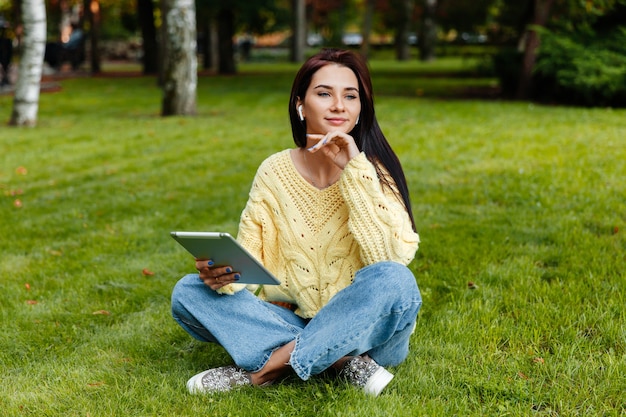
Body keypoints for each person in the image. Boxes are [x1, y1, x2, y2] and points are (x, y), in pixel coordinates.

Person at [171, 48, 422, 396]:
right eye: (324, 94)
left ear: (361, 109)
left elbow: (393, 256)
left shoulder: (373, 171)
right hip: (294, 317)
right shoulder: (274, 171)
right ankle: (340, 362)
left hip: (369, 332)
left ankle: (266, 370)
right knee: (188, 292)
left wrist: (354, 171)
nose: (339, 105)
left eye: (350, 96)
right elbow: (250, 263)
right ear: (300, 105)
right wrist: (222, 275)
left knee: (396, 280)